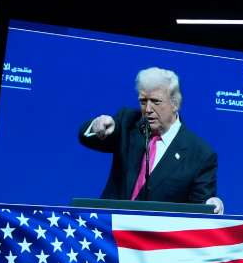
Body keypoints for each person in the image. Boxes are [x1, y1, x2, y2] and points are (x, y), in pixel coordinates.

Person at [79, 67, 224, 213]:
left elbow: (200, 208)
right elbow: (86, 138)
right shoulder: (127, 123)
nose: (148, 109)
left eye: (155, 101)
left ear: (175, 104)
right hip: (111, 229)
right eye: (143, 101)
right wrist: (97, 125)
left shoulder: (200, 154)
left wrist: (211, 204)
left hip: (156, 234)